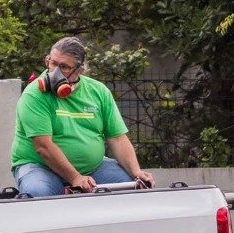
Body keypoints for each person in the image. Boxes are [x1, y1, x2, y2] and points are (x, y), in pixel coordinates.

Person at [10, 37, 155, 197]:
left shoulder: (98, 91)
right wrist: (75, 178)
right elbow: (43, 147)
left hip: (93, 168)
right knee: (38, 194)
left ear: (80, 70)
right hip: (40, 167)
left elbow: (117, 139)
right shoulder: (34, 95)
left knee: (130, 189)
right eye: (52, 63)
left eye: (64, 67)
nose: (55, 72)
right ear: (47, 60)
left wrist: (136, 171)